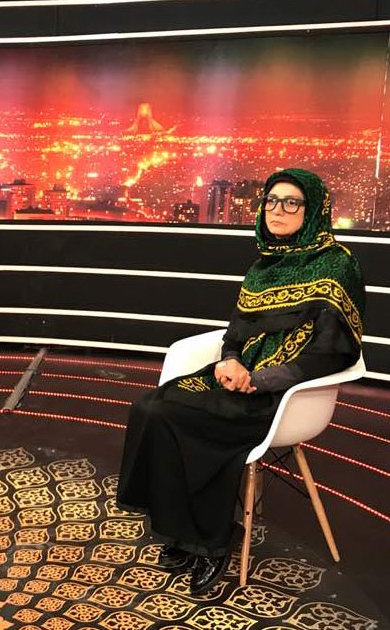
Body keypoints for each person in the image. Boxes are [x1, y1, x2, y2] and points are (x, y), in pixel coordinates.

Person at [117, 168, 365, 594]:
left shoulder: (337, 265)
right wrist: (230, 361)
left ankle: (211, 545)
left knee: (189, 421)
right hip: (241, 376)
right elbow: (235, 333)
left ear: (313, 212)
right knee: (151, 406)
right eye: (271, 201)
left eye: (292, 202)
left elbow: (331, 353)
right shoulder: (263, 266)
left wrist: (260, 380)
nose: (277, 210)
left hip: (281, 394)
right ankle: (181, 532)